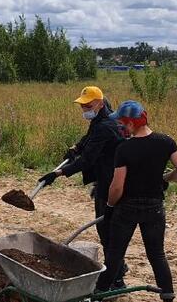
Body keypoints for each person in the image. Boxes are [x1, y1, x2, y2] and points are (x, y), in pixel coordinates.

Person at [95, 100, 177, 302]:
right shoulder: (165, 142)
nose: (120, 127)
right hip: (154, 208)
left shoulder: (125, 148)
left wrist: (109, 206)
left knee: (115, 253)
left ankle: (96, 299)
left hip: (127, 208)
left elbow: (117, 186)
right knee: (157, 255)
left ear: (130, 123)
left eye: (122, 123)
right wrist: (165, 178)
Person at [36, 86, 125, 282]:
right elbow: (89, 138)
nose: (85, 109)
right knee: (107, 230)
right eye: (83, 106)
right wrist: (76, 147)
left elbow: (87, 160)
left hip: (112, 184)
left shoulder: (107, 126)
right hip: (105, 179)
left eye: (88, 105)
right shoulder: (102, 118)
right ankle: (118, 272)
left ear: (100, 103)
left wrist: (58, 173)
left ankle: (116, 278)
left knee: (107, 231)